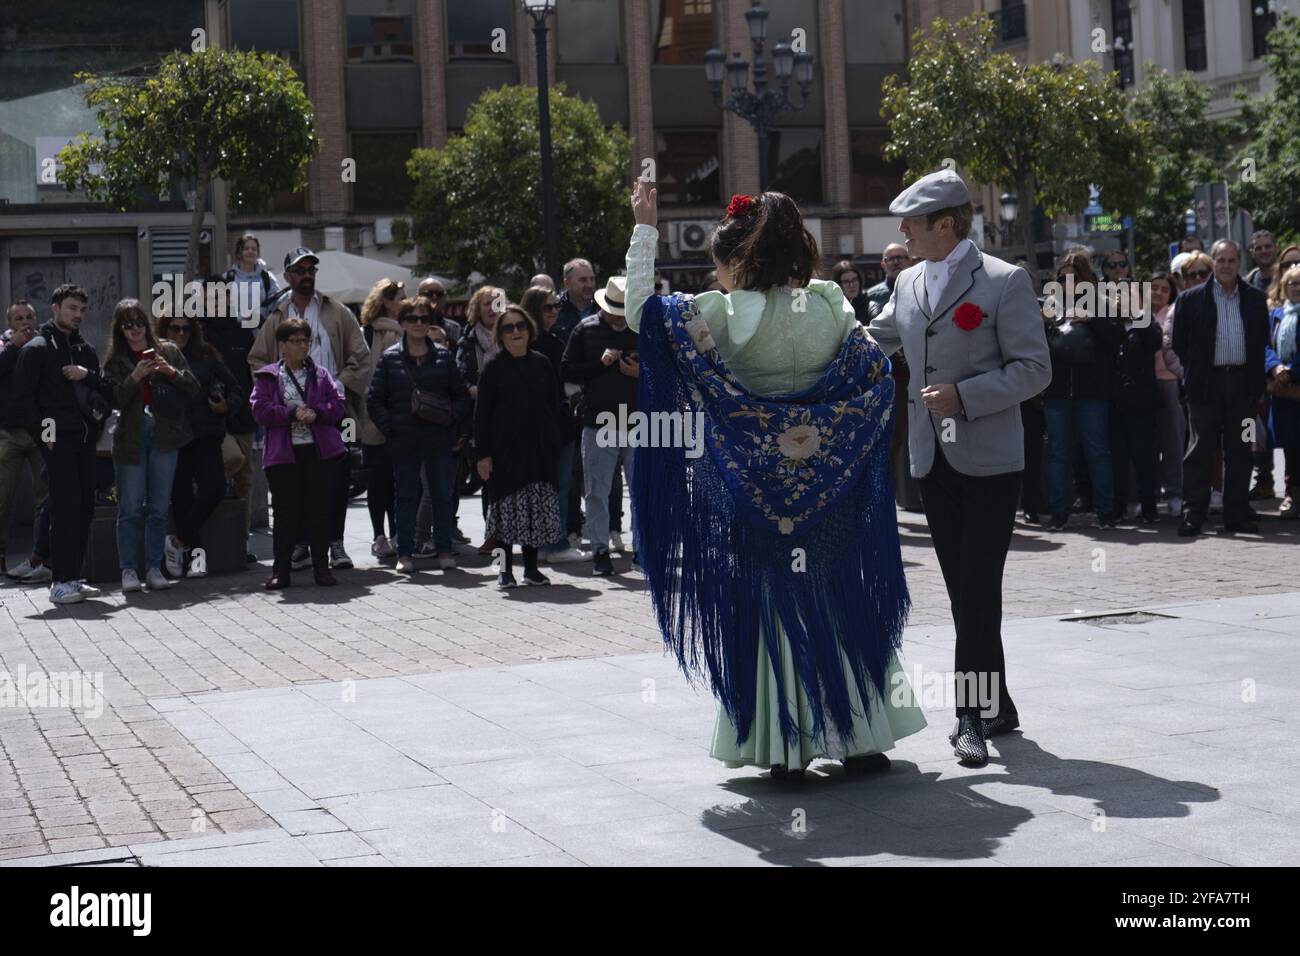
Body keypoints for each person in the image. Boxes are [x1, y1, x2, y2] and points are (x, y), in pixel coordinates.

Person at [628, 182, 926, 778]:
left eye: (719, 267)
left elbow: (642, 315)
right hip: (830, 482)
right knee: (839, 596)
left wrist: (645, 228)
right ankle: (861, 736)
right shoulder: (827, 303)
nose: (717, 278)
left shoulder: (723, 311)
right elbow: (868, 372)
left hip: (753, 486)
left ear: (737, 261)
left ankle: (785, 745)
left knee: (768, 605)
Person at [868, 169, 1052, 766]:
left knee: (976, 589)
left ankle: (969, 716)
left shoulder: (1005, 281)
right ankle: (998, 703)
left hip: (992, 462)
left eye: (912, 223)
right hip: (931, 459)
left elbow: (1034, 368)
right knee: (965, 594)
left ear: (945, 225)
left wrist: (966, 395)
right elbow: (875, 341)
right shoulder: (908, 281)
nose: (902, 232)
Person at [248, 247, 368, 571]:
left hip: (336, 412)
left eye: (311, 270)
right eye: (300, 271)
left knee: (339, 474)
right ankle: (301, 545)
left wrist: (340, 385)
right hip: (292, 418)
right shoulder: (276, 316)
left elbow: (361, 354)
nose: (307, 276)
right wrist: (276, 393)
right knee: (298, 481)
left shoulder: (337, 311)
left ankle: (336, 544)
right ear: (288, 277)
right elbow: (256, 359)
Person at [11, 284, 115, 604]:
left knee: (85, 507)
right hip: (57, 441)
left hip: (86, 440)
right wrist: (47, 436)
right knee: (66, 508)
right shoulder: (38, 348)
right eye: (72, 308)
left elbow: (105, 392)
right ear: (55, 308)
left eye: (82, 310)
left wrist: (87, 376)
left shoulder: (84, 349)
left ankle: (74, 576)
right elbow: (24, 400)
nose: (78, 315)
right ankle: (60, 580)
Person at [1172, 239, 1271, 536]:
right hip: (1206, 388)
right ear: (1212, 262)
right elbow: (1180, 344)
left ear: (1238, 262)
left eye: (1231, 260)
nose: (1226, 265)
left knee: (1241, 449)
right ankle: (1194, 514)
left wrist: (1256, 386)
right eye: (1221, 260)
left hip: (1243, 388)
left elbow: (1262, 342)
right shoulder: (1190, 300)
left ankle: (1237, 514)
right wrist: (1198, 372)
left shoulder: (1254, 299)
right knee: (1200, 450)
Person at [104, 299, 201, 592]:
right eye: (127, 324)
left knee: (159, 507)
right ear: (120, 329)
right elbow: (113, 400)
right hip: (130, 438)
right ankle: (129, 570)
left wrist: (169, 371)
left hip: (164, 435)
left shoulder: (168, 350)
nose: (134, 329)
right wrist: (134, 378)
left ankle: (154, 568)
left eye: (138, 322)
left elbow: (194, 388)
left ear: (147, 323)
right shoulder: (116, 361)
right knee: (130, 507)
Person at [368, 296, 470, 572]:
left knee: (442, 495)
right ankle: (405, 554)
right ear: (401, 323)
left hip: (438, 439)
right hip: (404, 440)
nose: (418, 323)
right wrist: (391, 429)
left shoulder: (444, 356)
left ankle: (445, 550)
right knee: (406, 497)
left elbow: (461, 396)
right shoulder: (390, 358)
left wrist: (451, 421)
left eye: (424, 318)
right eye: (412, 318)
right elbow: (374, 399)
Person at [250, 317, 348, 589]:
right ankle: (281, 571)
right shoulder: (268, 376)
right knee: (285, 515)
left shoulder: (321, 374)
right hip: (284, 455)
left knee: (319, 512)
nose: (303, 346)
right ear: (282, 345)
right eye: (296, 341)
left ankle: (321, 568)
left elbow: (338, 405)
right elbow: (260, 409)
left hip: (318, 453)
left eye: (306, 340)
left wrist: (318, 413)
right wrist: (291, 413)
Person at [474, 304, 564, 588]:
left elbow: (555, 404)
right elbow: (481, 415)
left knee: (534, 512)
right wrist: (483, 455)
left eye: (520, 326)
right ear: (500, 334)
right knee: (503, 515)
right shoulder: (493, 367)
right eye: (508, 327)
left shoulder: (542, 363)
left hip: (538, 452)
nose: (516, 332)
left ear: (529, 330)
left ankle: (531, 569)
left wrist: (553, 442)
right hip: (504, 454)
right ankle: (504, 571)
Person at [561, 276, 639, 577]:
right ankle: (600, 550)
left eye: (623, 311)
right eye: (614, 310)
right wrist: (601, 366)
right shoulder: (586, 329)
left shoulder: (642, 328)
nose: (618, 317)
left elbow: (663, 373)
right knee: (597, 491)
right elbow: (567, 371)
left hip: (638, 422)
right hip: (598, 421)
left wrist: (640, 374)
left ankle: (641, 550)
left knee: (640, 490)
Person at [1041, 250, 1123, 529]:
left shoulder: (1102, 304)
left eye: (1074, 278)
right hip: (1058, 392)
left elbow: (1116, 340)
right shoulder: (1050, 305)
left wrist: (1093, 319)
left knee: (1098, 451)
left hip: (1092, 391)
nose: (1068, 284)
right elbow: (1036, 345)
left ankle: (1106, 512)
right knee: (1057, 453)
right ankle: (1058, 513)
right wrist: (1044, 322)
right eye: (1063, 278)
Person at [161, 309, 243, 578]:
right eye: (175, 328)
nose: (181, 333)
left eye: (186, 328)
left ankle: (178, 542)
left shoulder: (207, 355)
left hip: (205, 435)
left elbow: (236, 390)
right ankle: (194, 562)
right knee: (182, 499)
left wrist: (224, 407)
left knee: (214, 488)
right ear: (165, 329)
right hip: (173, 438)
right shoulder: (156, 356)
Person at [519, 285, 585, 563]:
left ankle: (543, 544)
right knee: (557, 484)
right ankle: (555, 545)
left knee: (548, 485)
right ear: (534, 308)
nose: (555, 311)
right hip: (550, 423)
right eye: (548, 307)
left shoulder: (532, 340)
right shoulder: (541, 343)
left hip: (544, 423)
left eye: (557, 305)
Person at [0, 301, 48, 580]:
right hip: (8, 432)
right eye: (19, 318)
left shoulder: (44, 343)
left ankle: (40, 555)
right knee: (3, 498)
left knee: (46, 496)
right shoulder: (4, 345)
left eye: (29, 316)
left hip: (42, 430)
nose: (25, 322)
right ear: (10, 322)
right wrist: (15, 346)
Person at [358, 278, 405, 560]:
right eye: (400, 297)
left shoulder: (407, 331)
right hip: (372, 417)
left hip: (402, 417)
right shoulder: (367, 333)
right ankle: (379, 536)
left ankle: (399, 532)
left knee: (401, 479)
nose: (404, 302)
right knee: (378, 481)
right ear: (386, 301)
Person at [1109, 279, 1163, 523]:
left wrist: (1136, 313)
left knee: (1144, 457)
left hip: (1142, 402)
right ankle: (1117, 507)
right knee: (1117, 458)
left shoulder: (1145, 321)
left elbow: (1155, 342)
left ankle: (1149, 508)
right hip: (1115, 402)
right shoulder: (1111, 324)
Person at [1265, 262, 1300, 519]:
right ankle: (1292, 494)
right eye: (1292, 283)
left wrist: (1292, 372)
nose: (1297, 287)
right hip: (1282, 391)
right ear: (1284, 287)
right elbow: (1265, 346)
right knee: (1290, 446)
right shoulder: (1276, 314)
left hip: (1294, 381)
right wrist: (1276, 368)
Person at [1151, 272, 1186, 517]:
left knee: (1174, 441)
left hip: (1171, 384)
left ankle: (1175, 492)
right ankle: (1151, 495)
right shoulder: (1137, 313)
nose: (1159, 292)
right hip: (1145, 386)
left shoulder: (1176, 313)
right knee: (1149, 444)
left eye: (1164, 289)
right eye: (1154, 287)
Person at [223, 232, 285, 324]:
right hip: (234, 332)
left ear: (258, 252)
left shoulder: (267, 277)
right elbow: (220, 309)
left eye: (254, 249)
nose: (250, 251)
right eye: (246, 248)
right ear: (239, 252)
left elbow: (277, 304)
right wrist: (242, 317)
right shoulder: (227, 277)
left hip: (262, 333)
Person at [553, 258, 597, 342]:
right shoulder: (554, 309)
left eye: (592, 279)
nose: (589, 285)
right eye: (583, 280)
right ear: (567, 283)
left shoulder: (603, 309)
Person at [416, 277, 463, 355]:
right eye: (429, 294)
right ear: (418, 297)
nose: (435, 297)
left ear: (445, 297)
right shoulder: (410, 325)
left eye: (439, 294)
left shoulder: (455, 329)